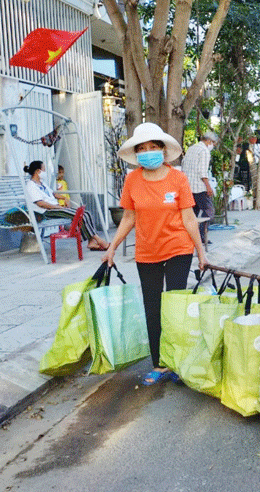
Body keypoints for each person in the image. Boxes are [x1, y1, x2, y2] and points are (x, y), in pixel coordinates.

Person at [101, 122, 209, 386]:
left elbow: (189, 217)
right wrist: (112, 247)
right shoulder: (132, 180)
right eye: (143, 148)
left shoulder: (178, 179)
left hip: (178, 249)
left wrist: (201, 252)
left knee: (174, 307)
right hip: (147, 252)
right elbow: (128, 217)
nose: (148, 152)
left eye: (153, 147)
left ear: (163, 150)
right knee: (153, 307)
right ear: (136, 153)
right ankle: (159, 363)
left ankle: (177, 360)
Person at [23, 160, 109, 251]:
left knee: (87, 213)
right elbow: (41, 203)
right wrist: (58, 207)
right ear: (37, 171)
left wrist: (64, 198)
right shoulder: (31, 186)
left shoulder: (42, 183)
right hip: (46, 212)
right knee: (80, 215)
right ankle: (99, 240)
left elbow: (52, 194)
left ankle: (91, 242)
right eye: (44, 169)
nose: (45, 172)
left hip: (54, 208)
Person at [181, 131, 218, 239]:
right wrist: (208, 187)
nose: (213, 146)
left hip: (188, 187)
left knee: (193, 214)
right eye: (213, 144)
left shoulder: (192, 148)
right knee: (209, 212)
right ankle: (202, 236)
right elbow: (203, 172)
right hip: (199, 187)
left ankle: (192, 236)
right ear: (209, 141)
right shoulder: (204, 151)